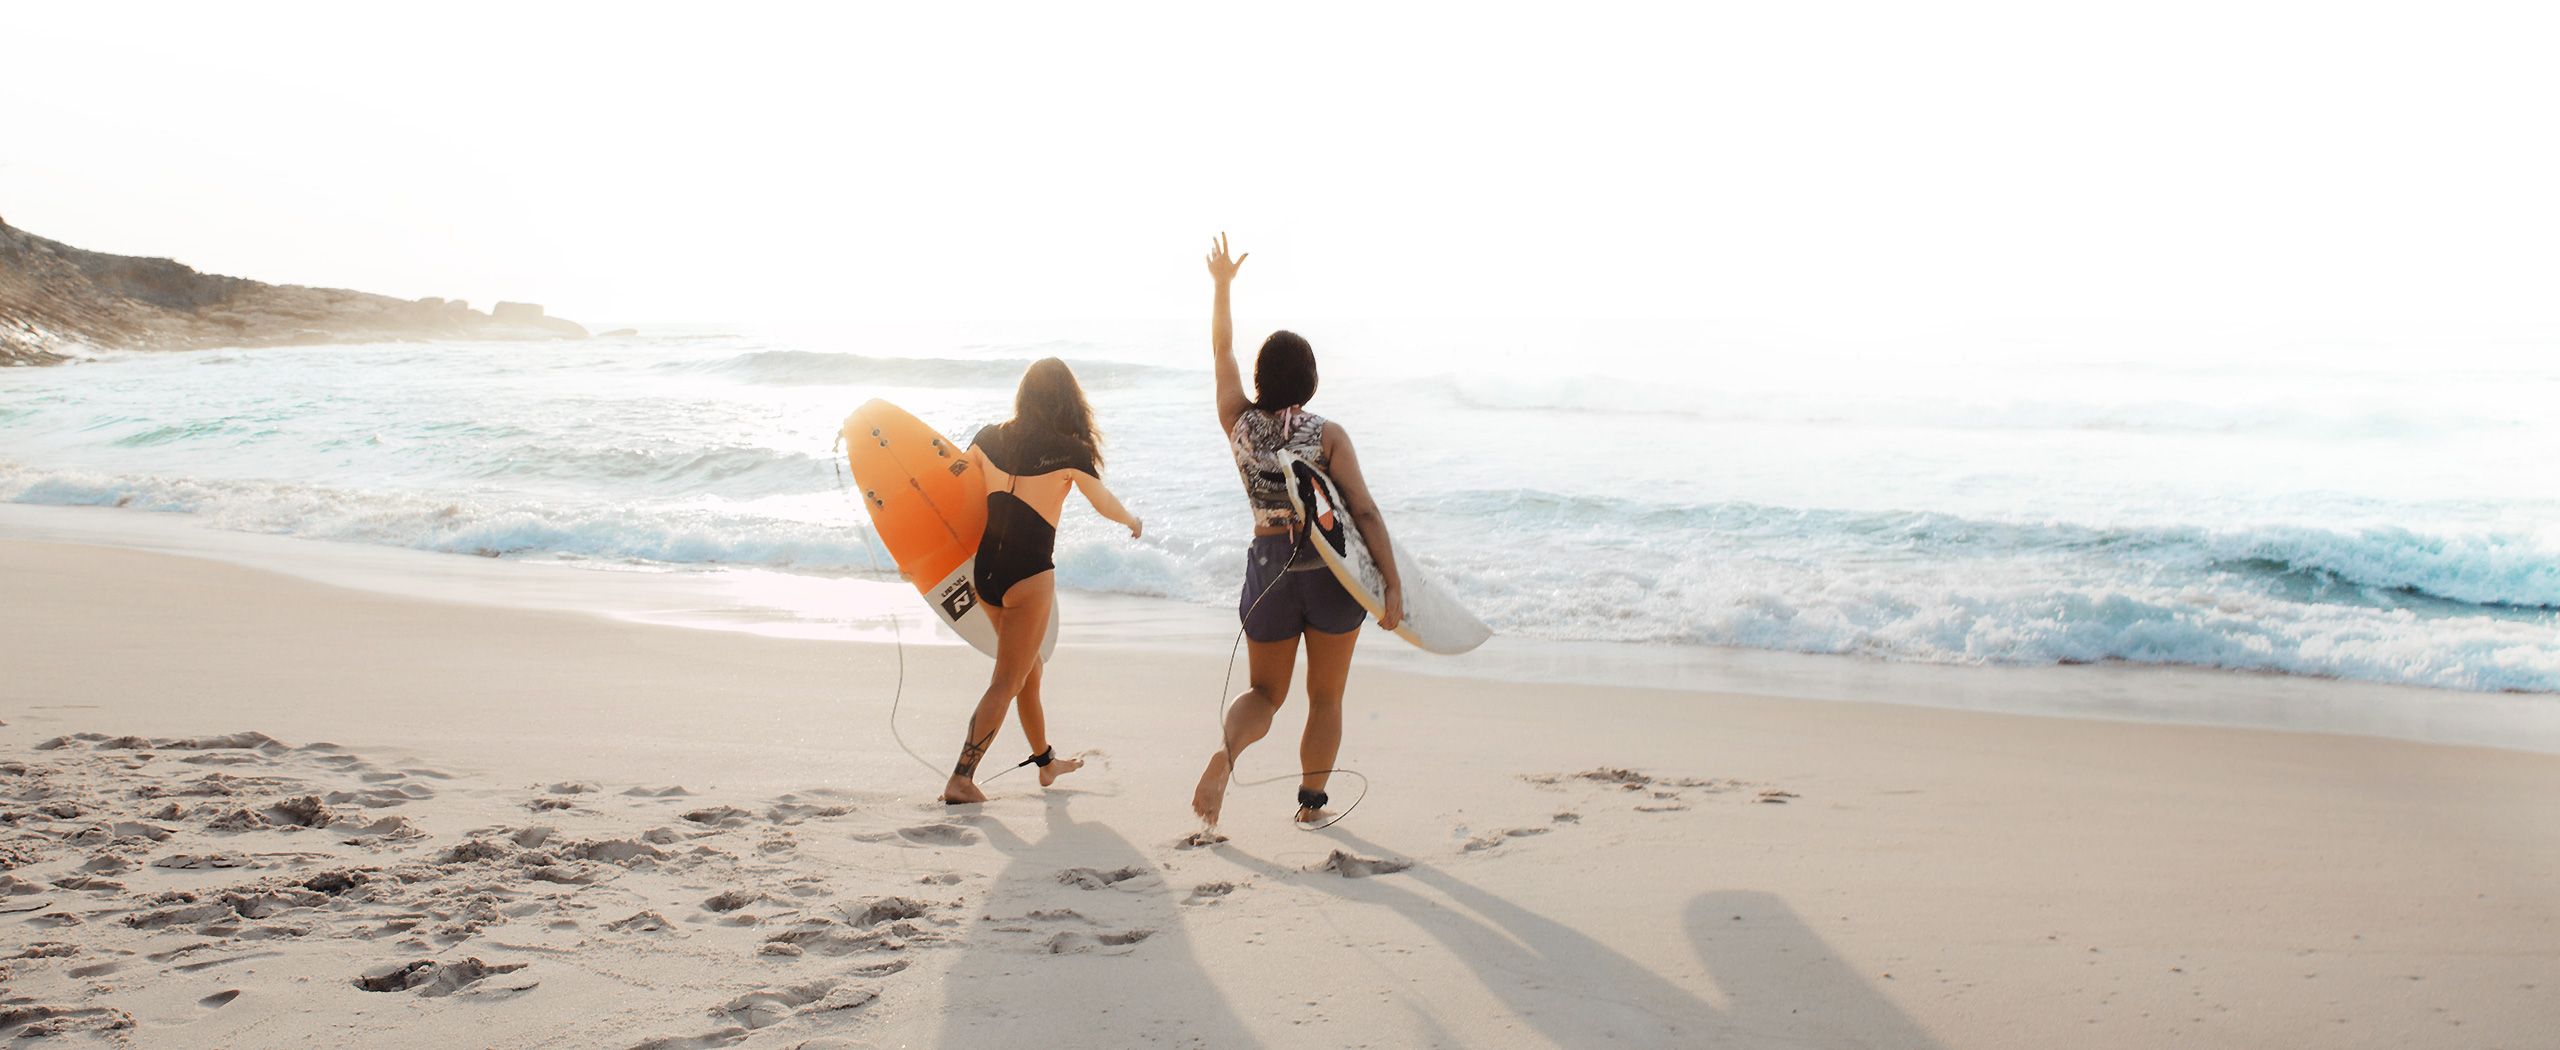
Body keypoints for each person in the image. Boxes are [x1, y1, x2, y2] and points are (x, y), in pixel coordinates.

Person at [1191, 233, 1404, 828]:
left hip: (1269, 570)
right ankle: (1311, 807)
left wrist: (1222, 286)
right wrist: (1391, 583)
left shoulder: (1238, 422)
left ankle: (1226, 757)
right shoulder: (1327, 433)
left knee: (1266, 694)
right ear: (1310, 380)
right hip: (1330, 573)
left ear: (1260, 378)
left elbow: (1221, 350)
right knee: (1325, 697)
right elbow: (1362, 511)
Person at [939, 357, 1143, 805]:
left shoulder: (987, 437)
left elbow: (952, 490)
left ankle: (1046, 763)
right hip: (1028, 575)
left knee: (1029, 670)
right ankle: (961, 777)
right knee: (1007, 679)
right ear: (1069, 399)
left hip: (986, 574)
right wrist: (1132, 520)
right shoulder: (1069, 451)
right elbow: (1103, 502)